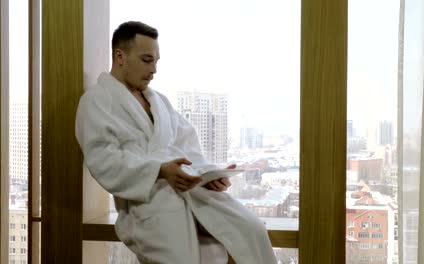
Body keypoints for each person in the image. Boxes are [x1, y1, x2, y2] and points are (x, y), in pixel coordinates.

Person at [75, 21, 276, 264]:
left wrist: (208, 176)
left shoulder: (159, 101)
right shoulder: (96, 101)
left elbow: (188, 146)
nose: (154, 69)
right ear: (120, 56)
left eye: (157, 61)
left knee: (250, 230)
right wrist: (158, 170)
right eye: (147, 60)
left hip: (191, 192)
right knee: (185, 255)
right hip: (149, 201)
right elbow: (103, 160)